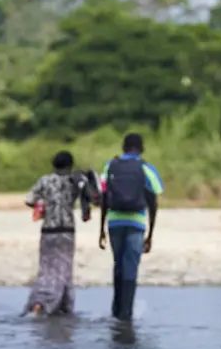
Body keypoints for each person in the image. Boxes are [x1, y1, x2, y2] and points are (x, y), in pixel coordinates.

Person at [22, 150, 97, 317]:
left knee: (46, 269)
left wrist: (44, 207)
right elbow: (92, 197)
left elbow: (29, 200)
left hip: (48, 229)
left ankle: (39, 303)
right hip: (67, 230)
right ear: (70, 165)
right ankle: (63, 306)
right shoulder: (74, 181)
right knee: (64, 269)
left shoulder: (44, 180)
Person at [99, 133, 164, 322]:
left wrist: (101, 229)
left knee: (118, 264)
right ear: (141, 148)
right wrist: (150, 234)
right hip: (136, 223)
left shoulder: (109, 166)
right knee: (130, 267)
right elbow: (153, 201)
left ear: (123, 147)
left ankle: (115, 311)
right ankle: (126, 315)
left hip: (114, 222)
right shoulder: (146, 168)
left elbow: (104, 198)